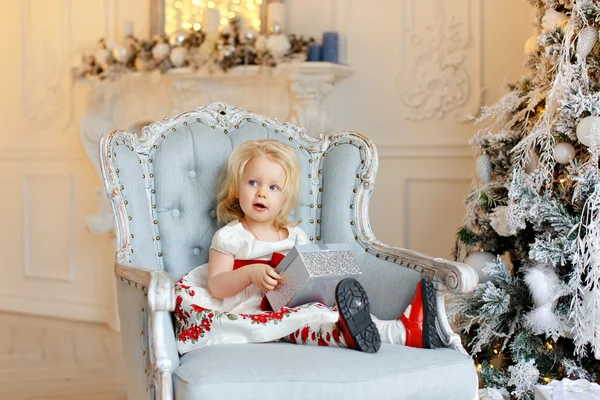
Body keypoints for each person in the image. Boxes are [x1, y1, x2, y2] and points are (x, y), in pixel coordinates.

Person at [174, 139, 440, 355]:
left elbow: (310, 279)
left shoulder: (295, 237)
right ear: (235, 189)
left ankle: (403, 331)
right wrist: (250, 273)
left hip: (293, 305)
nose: (261, 193)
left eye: (273, 187)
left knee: (327, 314)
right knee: (305, 326)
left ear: (284, 198)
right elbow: (217, 285)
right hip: (253, 310)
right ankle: (349, 335)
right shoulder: (230, 237)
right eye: (252, 183)